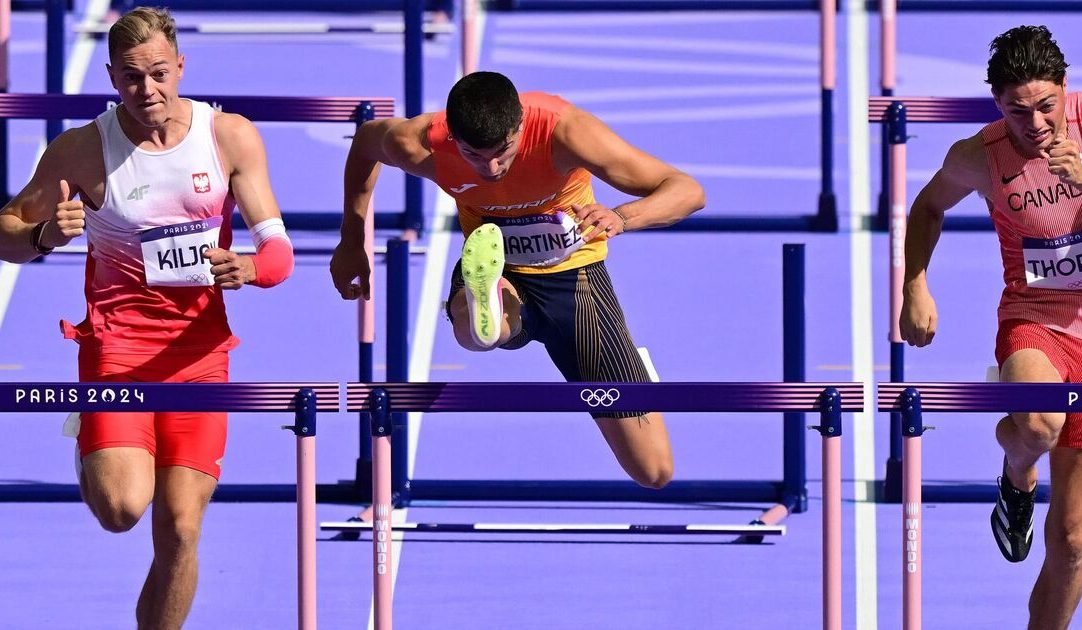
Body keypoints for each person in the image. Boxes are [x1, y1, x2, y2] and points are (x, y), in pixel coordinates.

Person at [0, 7, 294, 628]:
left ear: (181, 66)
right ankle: (91, 434)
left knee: (182, 530)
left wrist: (253, 268)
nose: (148, 91)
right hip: (116, 350)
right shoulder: (82, 150)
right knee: (122, 508)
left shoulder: (229, 137)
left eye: (159, 73)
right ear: (111, 77)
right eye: (132, 78)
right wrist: (48, 234)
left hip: (199, 356)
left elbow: (278, 249)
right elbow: (7, 230)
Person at [899, 25, 1082, 628]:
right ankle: (1017, 474)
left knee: (1070, 541)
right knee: (1039, 425)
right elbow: (928, 207)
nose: (1036, 125)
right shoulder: (979, 155)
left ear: (1064, 90)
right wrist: (914, 283)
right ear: (998, 105)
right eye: (1019, 112)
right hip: (1031, 322)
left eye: (1046, 107)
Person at [330, 71, 704, 489]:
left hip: (575, 277)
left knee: (653, 471)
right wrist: (351, 238)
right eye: (473, 154)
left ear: (520, 127)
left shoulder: (566, 131)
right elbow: (365, 143)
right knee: (480, 331)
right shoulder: (418, 143)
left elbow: (686, 190)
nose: (490, 168)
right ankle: (482, 306)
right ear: (452, 136)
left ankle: (613, 360)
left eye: (503, 151)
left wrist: (621, 216)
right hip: (498, 265)